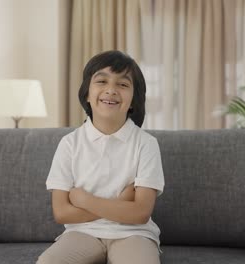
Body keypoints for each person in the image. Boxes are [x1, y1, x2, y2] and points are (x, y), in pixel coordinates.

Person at [37, 50, 164, 264]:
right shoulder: (69, 144)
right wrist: (120, 203)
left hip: (134, 233)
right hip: (81, 233)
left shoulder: (146, 144)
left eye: (123, 84)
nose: (111, 90)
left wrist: (85, 200)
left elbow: (140, 213)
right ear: (87, 93)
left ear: (134, 99)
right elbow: (62, 213)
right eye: (102, 81)